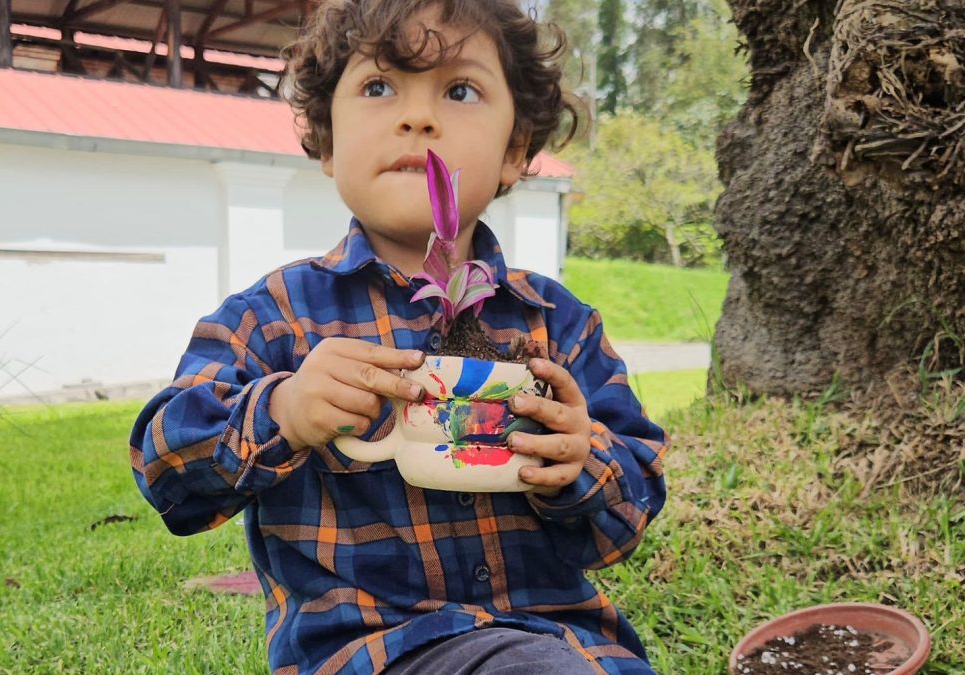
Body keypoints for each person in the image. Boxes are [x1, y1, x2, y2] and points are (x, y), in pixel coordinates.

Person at [130, 1, 669, 673]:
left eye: (460, 90)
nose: (418, 118)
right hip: (371, 653)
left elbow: (629, 514)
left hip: (566, 645)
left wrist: (581, 458)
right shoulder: (272, 318)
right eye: (379, 87)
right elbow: (165, 470)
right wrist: (285, 411)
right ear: (327, 142)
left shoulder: (559, 323)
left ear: (515, 150)